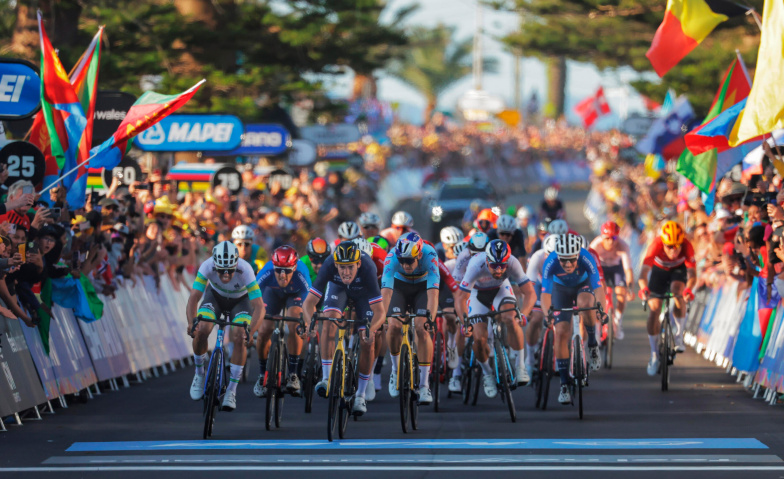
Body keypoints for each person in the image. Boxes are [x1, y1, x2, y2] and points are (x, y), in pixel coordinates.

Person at [303, 241, 386, 416]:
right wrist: (310, 323)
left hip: (364, 294)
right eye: (341, 267)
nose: (346, 272)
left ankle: (361, 395)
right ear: (335, 264)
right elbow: (309, 303)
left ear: (358, 264)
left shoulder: (368, 268)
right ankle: (326, 378)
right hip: (338, 289)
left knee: (367, 340)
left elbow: (380, 312)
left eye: (350, 267)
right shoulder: (328, 265)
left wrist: (372, 329)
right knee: (328, 321)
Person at [186, 241, 263, 411]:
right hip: (215, 297)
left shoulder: (246, 269)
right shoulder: (207, 266)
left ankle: (231, 391)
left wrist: (252, 332)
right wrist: (192, 323)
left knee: (240, 335)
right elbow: (193, 298)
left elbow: (259, 306)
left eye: (230, 270)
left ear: (236, 263)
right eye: (221, 270)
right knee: (202, 329)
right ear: (215, 264)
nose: (226, 275)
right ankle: (199, 374)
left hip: (240, 302)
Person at [454, 240, 536, 398]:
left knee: (510, 318)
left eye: (502, 266)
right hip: (477, 295)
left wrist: (523, 314)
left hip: (501, 290)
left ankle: (520, 367)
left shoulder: (512, 262)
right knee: (479, 338)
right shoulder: (476, 264)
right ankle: (488, 374)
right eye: (494, 265)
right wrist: (465, 322)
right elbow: (460, 298)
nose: (498, 269)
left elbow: (530, 293)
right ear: (486, 260)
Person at [540, 233, 604, 405]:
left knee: (585, 303)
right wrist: (548, 315)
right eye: (563, 260)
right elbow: (545, 294)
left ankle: (592, 343)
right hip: (560, 290)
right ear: (557, 257)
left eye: (571, 260)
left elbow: (598, 288)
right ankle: (564, 384)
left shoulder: (587, 257)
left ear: (578, 256)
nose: (567, 264)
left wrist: (601, 310)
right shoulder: (550, 262)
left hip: (583, 286)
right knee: (560, 332)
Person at [382, 232, 440, 405]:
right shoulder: (392, 256)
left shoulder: (430, 255)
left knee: (422, 328)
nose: (405, 265)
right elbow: (385, 293)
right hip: (399, 288)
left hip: (422, 288)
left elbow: (433, 295)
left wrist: (430, 319)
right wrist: (382, 318)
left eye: (409, 261)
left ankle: (424, 385)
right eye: (402, 261)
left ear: (419, 255)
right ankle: (395, 369)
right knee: (392, 325)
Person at [252, 245, 311, 398]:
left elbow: (310, 304)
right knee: (264, 329)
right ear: (273, 266)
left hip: (295, 295)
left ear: (295, 267)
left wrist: (307, 324)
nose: (282, 275)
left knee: (295, 325)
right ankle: (261, 375)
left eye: (287, 270)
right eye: (278, 270)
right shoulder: (267, 271)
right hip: (272, 294)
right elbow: (252, 297)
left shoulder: (302, 273)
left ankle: (293, 374)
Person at [638, 221, 696, 376]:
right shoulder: (655, 245)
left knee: (678, 292)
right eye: (669, 246)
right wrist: (644, 289)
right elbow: (643, 274)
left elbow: (692, 275)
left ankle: (678, 336)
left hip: (678, 271)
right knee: (654, 309)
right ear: (663, 243)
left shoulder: (687, 246)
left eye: (677, 245)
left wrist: (688, 289)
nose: (674, 250)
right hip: (659, 271)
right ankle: (654, 354)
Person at [589, 221, 634, 340]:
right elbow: (589, 265)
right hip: (600, 268)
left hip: (616, 268)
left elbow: (628, 270)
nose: (611, 241)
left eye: (614, 238)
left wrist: (630, 288)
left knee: (621, 295)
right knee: (596, 296)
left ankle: (617, 322)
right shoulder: (596, 245)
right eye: (607, 238)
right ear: (602, 237)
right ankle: (597, 327)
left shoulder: (623, 245)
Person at [524, 234, 558, 378]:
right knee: (536, 318)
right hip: (539, 285)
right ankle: (530, 358)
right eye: (548, 254)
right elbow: (528, 286)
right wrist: (529, 308)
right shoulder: (537, 257)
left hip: (559, 286)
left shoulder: (569, 258)